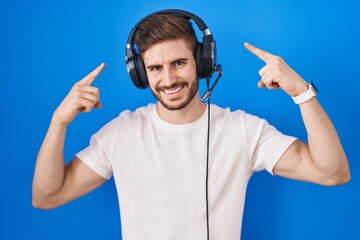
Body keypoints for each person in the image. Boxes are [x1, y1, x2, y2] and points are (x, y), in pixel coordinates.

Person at [32, 10, 350, 240]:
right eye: (155, 68)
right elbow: (46, 197)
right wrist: (58, 122)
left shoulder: (243, 130)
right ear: (140, 74)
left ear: (201, 63)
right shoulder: (121, 133)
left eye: (179, 63)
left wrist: (302, 94)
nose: (168, 79)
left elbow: (332, 172)